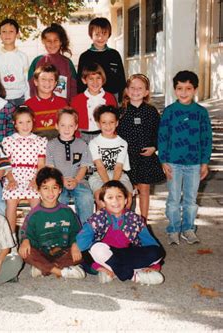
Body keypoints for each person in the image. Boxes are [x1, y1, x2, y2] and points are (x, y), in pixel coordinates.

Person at [158, 70, 212, 245]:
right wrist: (163, 160)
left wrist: (205, 162)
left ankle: (188, 228)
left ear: (195, 89)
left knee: (190, 199)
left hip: (194, 164)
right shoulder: (169, 112)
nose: (184, 92)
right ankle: (173, 229)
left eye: (188, 88)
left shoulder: (201, 113)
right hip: (173, 163)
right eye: (180, 88)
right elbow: (163, 137)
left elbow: (206, 138)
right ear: (175, 90)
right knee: (174, 198)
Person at [76, 180, 165, 285]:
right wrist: (97, 266)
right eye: (110, 197)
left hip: (127, 253)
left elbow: (150, 243)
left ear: (126, 200)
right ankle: (133, 276)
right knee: (95, 250)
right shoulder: (96, 219)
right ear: (102, 202)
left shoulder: (135, 219)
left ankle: (114, 271)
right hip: (106, 255)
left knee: (157, 252)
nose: (115, 201)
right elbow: (82, 245)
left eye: (119, 196)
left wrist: (155, 265)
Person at [18, 166, 85, 279]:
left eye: (54, 188)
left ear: (60, 189)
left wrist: (75, 245)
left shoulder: (67, 212)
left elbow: (77, 232)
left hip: (64, 253)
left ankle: (43, 268)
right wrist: (25, 241)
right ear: (38, 190)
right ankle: (60, 271)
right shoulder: (34, 214)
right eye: (45, 188)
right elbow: (25, 233)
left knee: (83, 250)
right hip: (42, 253)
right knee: (24, 252)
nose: (50, 192)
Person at [117, 74, 165, 220]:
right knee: (127, 191)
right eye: (132, 88)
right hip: (126, 159)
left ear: (146, 92)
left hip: (145, 158)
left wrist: (154, 148)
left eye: (140, 88)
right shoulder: (121, 112)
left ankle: (143, 221)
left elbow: (160, 133)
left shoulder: (151, 111)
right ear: (126, 90)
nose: (135, 91)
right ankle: (126, 221)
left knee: (144, 190)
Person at [2, 106, 47, 231]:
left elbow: (41, 165)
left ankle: (36, 235)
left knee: (36, 201)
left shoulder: (40, 141)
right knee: (11, 202)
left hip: (33, 175)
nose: (25, 126)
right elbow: (6, 165)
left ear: (33, 121)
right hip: (14, 176)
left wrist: (35, 180)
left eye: (28, 122)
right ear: (15, 124)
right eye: (21, 122)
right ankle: (11, 238)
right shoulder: (8, 141)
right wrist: (11, 180)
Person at [46, 108, 94, 224]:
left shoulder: (82, 144)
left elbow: (84, 166)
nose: (67, 129)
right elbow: (51, 168)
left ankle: (85, 230)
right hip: (58, 182)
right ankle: (61, 229)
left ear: (76, 126)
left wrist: (76, 180)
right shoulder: (51, 145)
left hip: (79, 181)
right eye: (63, 125)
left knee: (86, 197)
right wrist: (61, 180)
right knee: (59, 199)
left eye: (71, 125)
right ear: (57, 126)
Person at [89, 105, 133, 209]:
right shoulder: (94, 143)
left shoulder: (122, 143)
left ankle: (122, 223)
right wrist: (108, 187)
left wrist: (114, 185)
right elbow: (99, 166)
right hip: (98, 175)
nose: (108, 126)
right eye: (104, 122)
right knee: (101, 197)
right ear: (98, 124)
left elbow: (118, 167)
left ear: (117, 123)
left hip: (119, 175)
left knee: (128, 198)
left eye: (111, 122)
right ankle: (103, 223)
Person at [77, 17, 126, 102]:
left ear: (109, 34)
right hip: (90, 97)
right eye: (97, 34)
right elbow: (80, 81)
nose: (100, 38)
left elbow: (121, 78)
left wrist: (122, 98)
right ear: (91, 35)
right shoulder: (85, 56)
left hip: (112, 96)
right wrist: (81, 98)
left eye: (104, 34)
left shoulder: (114, 54)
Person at [28, 23, 77, 101]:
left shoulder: (67, 63)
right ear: (43, 41)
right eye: (48, 41)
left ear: (61, 42)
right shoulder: (37, 61)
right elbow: (31, 86)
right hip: (42, 108)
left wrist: (71, 106)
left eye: (55, 40)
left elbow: (74, 87)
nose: (52, 43)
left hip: (63, 109)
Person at [71, 62, 117, 143]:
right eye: (91, 79)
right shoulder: (76, 100)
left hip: (104, 135)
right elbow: (73, 121)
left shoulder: (109, 98)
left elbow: (114, 119)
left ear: (103, 79)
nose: (95, 82)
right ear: (84, 80)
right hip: (82, 137)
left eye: (98, 78)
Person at [0, 18, 29, 107]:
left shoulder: (23, 56)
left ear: (17, 34)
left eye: (11, 31)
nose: (7, 34)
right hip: (0, 98)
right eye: (4, 31)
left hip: (20, 97)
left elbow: (26, 79)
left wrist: (27, 99)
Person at [24, 64, 68, 137]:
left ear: (55, 83)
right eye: (43, 79)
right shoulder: (28, 105)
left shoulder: (62, 103)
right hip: (36, 144)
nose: (47, 82)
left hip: (57, 143)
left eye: (51, 79)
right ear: (36, 82)